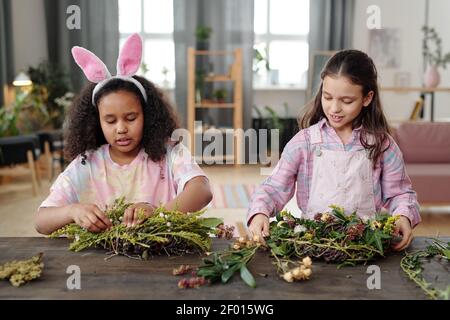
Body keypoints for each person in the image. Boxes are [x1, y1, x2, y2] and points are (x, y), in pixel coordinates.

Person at [35, 34, 212, 235]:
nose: (121, 128)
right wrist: (72, 210)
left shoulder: (170, 152)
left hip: (163, 256)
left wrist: (157, 213)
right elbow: (41, 221)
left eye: (130, 118)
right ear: (96, 121)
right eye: (110, 121)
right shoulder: (87, 163)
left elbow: (202, 190)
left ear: (147, 115)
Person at [247, 49, 420, 251]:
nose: (334, 108)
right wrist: (259, 212)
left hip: (365, 247)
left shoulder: (383, 145)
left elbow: (399, 194)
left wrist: (403, 216)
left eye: (346, 101)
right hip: (313, 243)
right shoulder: (304, 142)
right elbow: (274, 187)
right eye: (328, 97)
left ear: (367, 98)